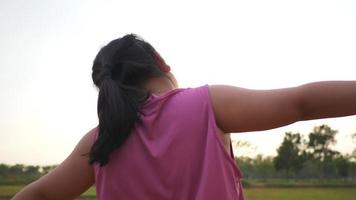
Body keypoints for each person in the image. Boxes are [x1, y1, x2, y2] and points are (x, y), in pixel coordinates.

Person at [12, 34, 356, 200]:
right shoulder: (207, 103)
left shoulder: (98, 142)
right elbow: (302, 103)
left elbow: (35, 197)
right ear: (162, 63)